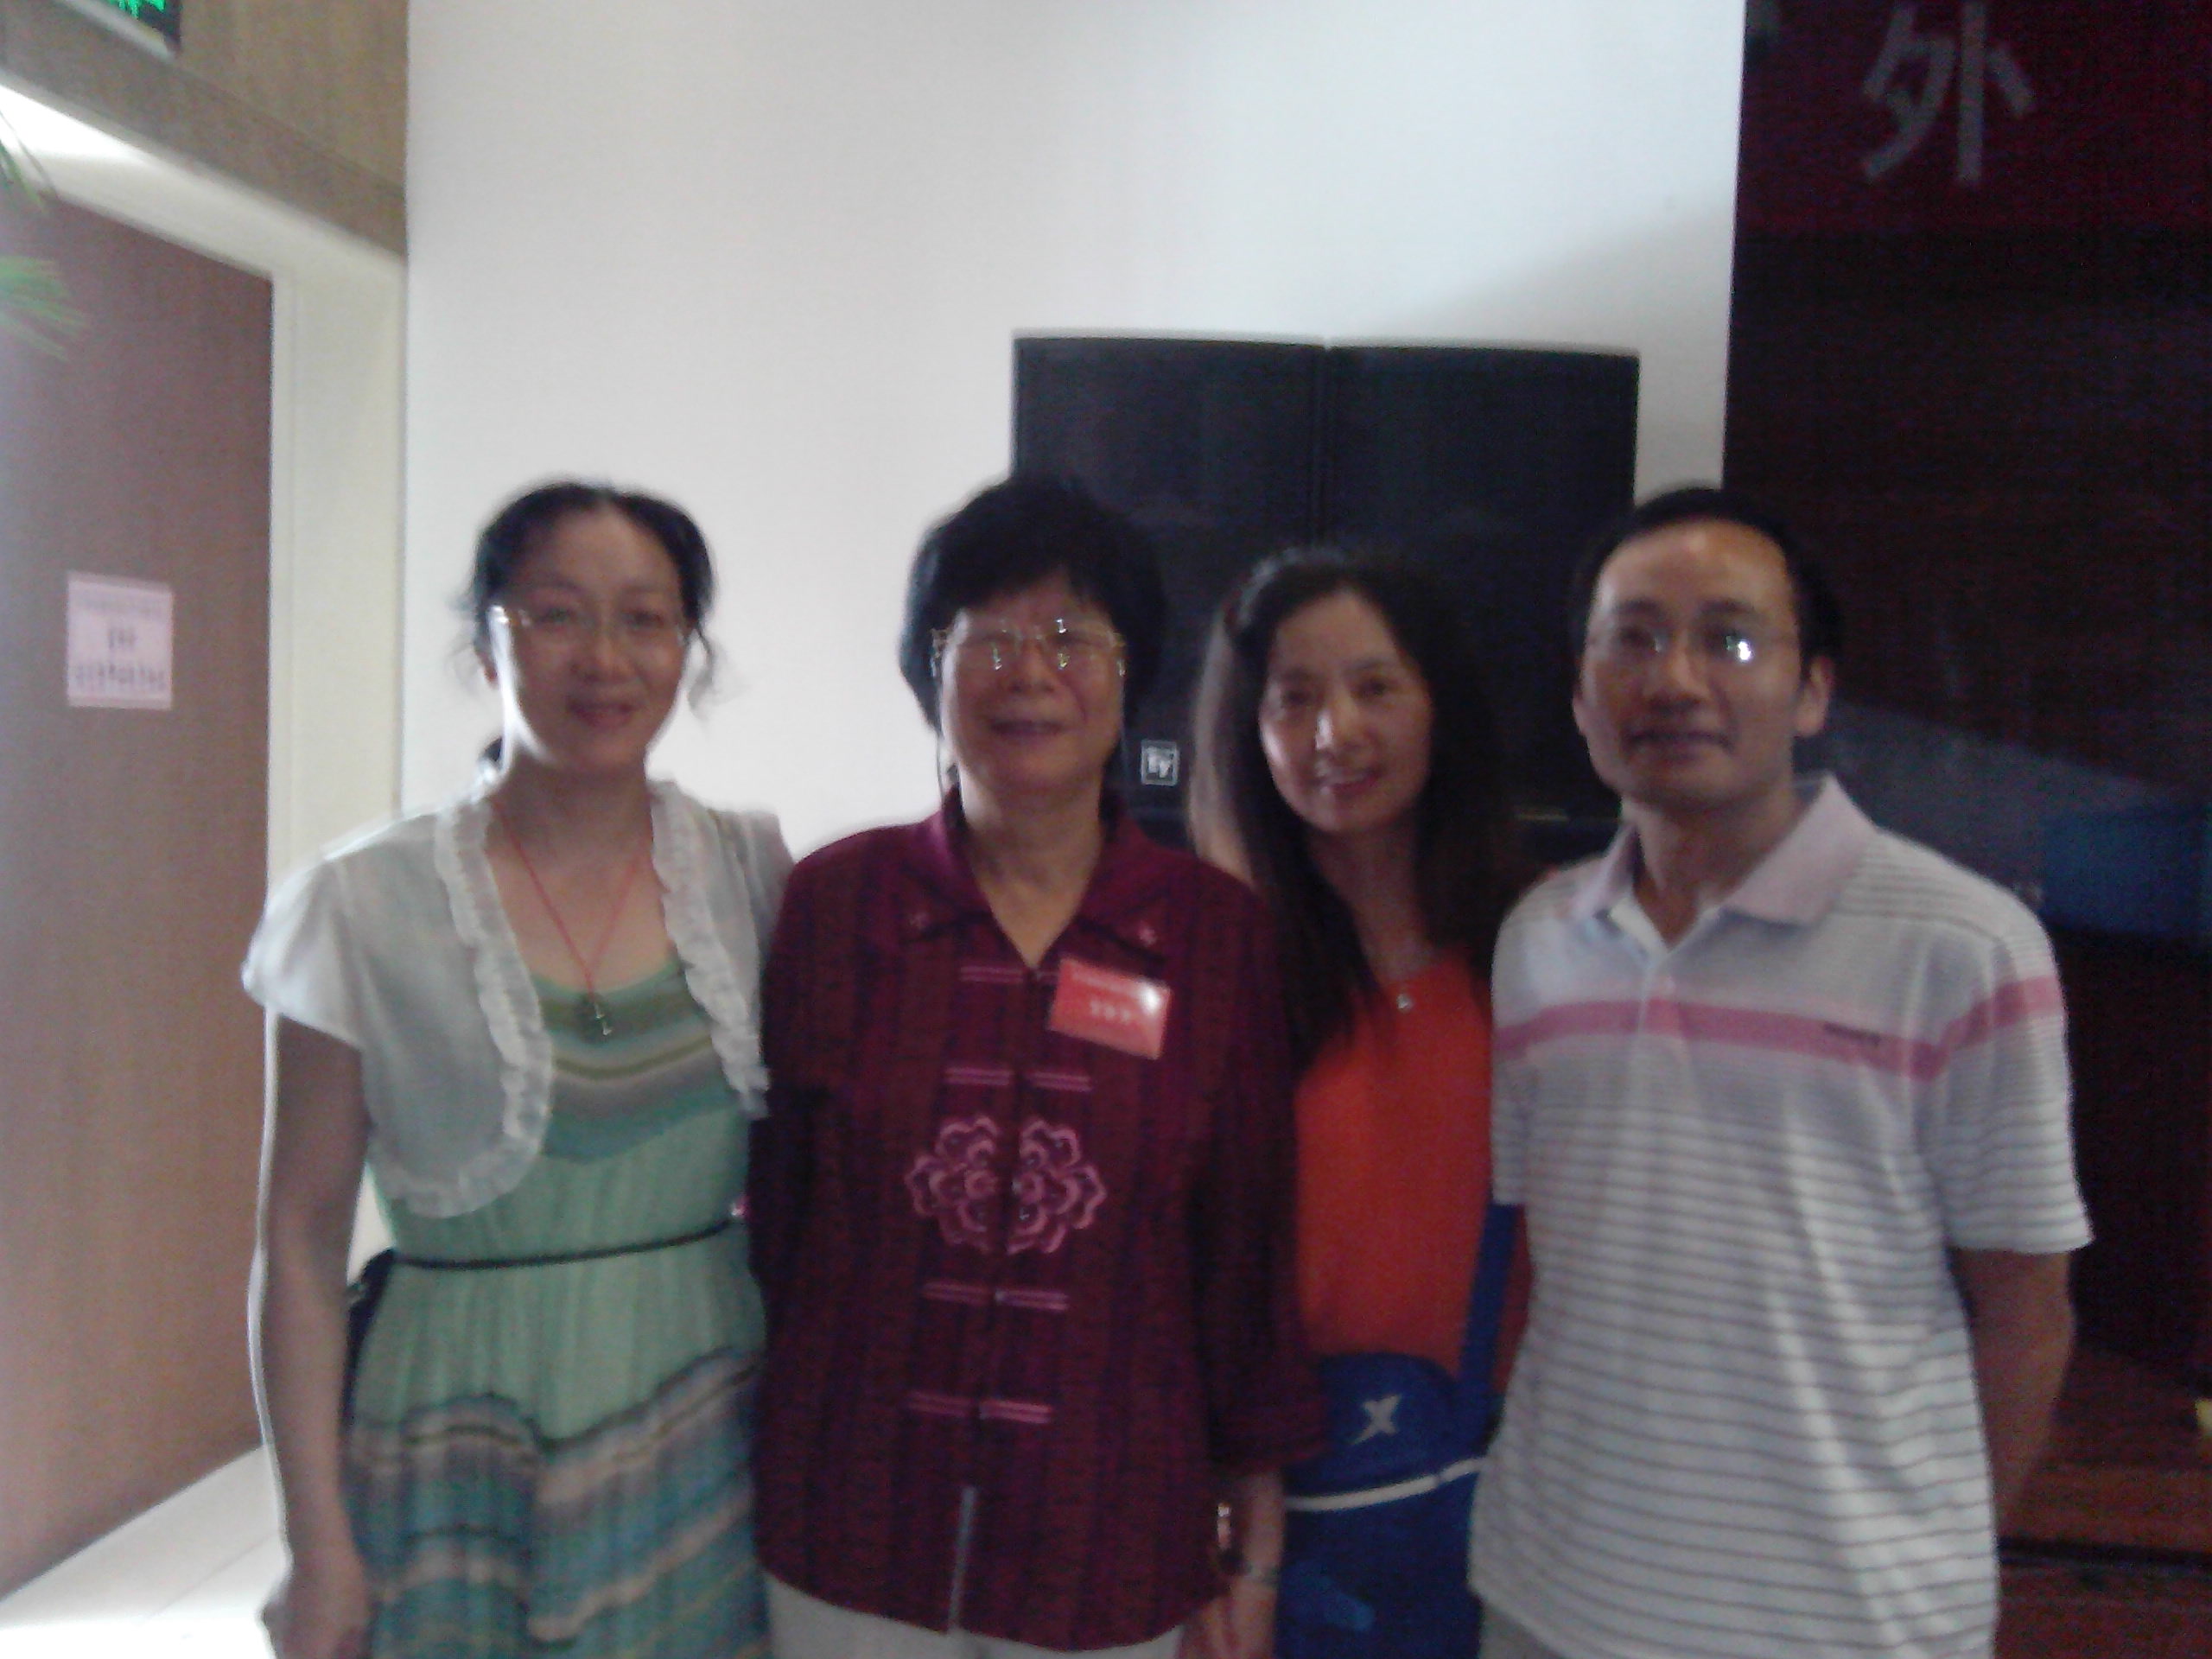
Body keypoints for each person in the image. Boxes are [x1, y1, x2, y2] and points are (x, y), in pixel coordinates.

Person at [1471, 486, 2089, 1659]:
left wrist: (1938, 1555)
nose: (1675, 680)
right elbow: (1548, 1264)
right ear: (1582, 693)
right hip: (1553, 1600)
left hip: (1847, 1625)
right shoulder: (1538, 941)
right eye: (1632, 639)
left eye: (1732, 640)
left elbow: (2025, 1314)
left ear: (1813, 691)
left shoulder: (1964, 946)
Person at [747, 477, 1325, 1659]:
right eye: (989, 639)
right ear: (931, 670)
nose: (1030, 674)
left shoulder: (1213, 935)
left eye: (1070, 636)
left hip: (1107, 1529)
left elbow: (1243, 1241)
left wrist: (1252, 1532)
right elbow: (779, 1217)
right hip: (852, 1519)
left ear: (1129, 670)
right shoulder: (836, 902)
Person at [244, 480, 790, 1659]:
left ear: (686, 649)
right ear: (488, 642)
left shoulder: (749, 872)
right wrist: (315, 1544)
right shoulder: (360, 903)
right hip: (453, 1433)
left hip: (703, 1428)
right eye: (556, 614)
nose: (605, 658)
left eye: (645, 619)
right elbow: (298, 1240)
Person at [1190, 549, 1528, 1658]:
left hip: (1517, 1499)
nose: (1336, 733)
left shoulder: (1540, 946)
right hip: (1283, 1515)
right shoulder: (1213, 967)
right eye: (1294, 699)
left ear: (1440, 705)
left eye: (1375, 687)